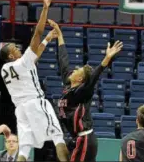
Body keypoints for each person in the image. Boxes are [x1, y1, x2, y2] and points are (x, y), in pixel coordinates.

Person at [0, 0, 69, 162]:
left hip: (20, 110)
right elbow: (36, 35)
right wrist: (45, 8)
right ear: (10, 55)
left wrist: (47, 39)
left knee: (24, 148)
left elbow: (34, 56)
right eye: (14, 48)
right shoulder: (22, 63)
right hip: (35, 103)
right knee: (58, 136)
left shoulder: (5, 69)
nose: (17, 48)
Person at [48, 19, 123, 162]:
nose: (74, 70)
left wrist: (106, 59)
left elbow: (94, 77)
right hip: (79, 139)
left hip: (85, 139)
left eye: (78, 70)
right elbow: (63, 61)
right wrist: (60, 35)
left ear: (80, 80)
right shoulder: (69, 85)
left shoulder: (82, 92)